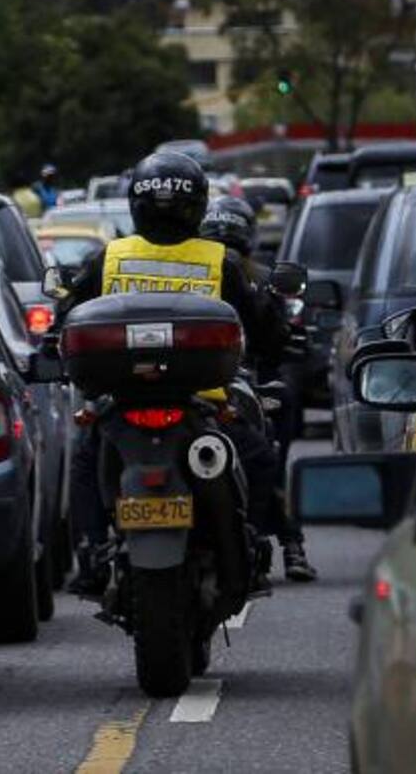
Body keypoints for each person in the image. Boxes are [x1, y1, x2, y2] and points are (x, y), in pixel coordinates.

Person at [61, 151, 289, 595]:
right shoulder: (220, 260)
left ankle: (90, 556)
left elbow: (66, 318)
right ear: (198, 206)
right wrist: (280, 342)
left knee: (86, 459)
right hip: (206, 401)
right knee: (259, 459)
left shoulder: (109, 258)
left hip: (121, 400)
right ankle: (255, 549)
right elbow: (262, 325)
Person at [199, 196, 318, 582]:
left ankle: (274, 540)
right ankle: (284, 542)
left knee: (270, 444)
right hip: (217, 384)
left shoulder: (210, 268)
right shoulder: (248, 274)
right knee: (268, 454)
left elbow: (276, 331)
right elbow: (276, 332)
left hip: (220, 383)